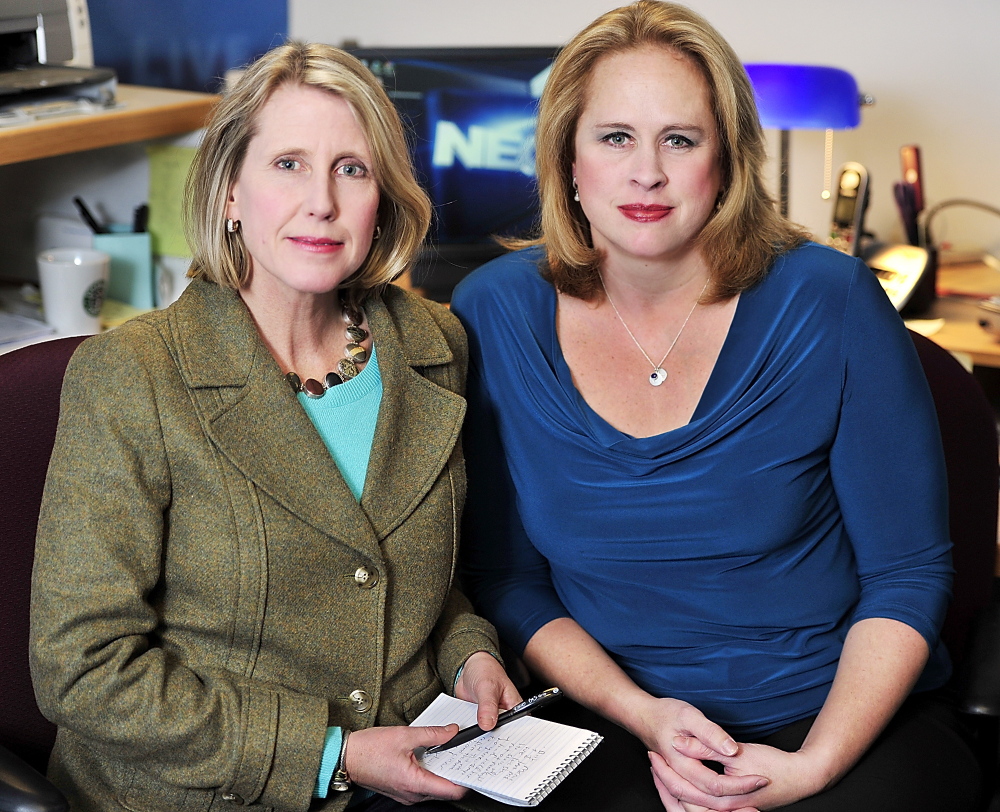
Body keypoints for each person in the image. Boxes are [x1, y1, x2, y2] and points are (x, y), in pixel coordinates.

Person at [450, 3, 982, 811]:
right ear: (567, 159)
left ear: (727, 161)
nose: (647, 173)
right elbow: (511, 580)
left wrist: (814, 767)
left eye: (681, 139)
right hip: (617, 724)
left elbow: (907, 577)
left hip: (837, 723)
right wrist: (643, 713)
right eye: (615, 137)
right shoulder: (493, 312)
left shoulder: (829, 298)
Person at [30, 42, 521, 812]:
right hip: (194, 794)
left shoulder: (435, 346)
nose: (321, 201)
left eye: (351, 169)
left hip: (418, 777)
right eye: (287, 163)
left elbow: (417, 570)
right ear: (230, 190)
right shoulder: (132, 377)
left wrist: (468, 656)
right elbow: (82, 668)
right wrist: (334, 754)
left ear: (383, 197)